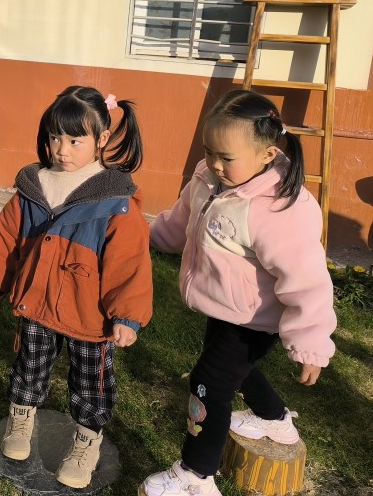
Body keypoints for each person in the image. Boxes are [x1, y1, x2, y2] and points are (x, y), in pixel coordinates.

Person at [139, 89, 337, 496]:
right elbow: (181, 221)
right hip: (227, 307)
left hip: (256, 318)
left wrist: (311, 342)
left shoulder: (278, 209)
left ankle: (196, 475)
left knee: (208, 382)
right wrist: (148, 237)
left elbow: (308, 280)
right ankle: (274, 419)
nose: (215, 163)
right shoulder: (208, 178)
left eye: (226, 157)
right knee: (233, 371)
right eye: (208, 151)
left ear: (267, 155)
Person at [0, 86, 152, 489]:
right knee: (30, 363)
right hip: (36, 302)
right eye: (55, 137)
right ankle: (21, 417)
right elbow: (7, 236)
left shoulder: (114, 198)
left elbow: (129, 263)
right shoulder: (34, 185)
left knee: (91, 380)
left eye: (75, 140)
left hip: (89, 315)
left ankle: (86, 441)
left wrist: (126, 316)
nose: (62, 149)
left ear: (102, 139)